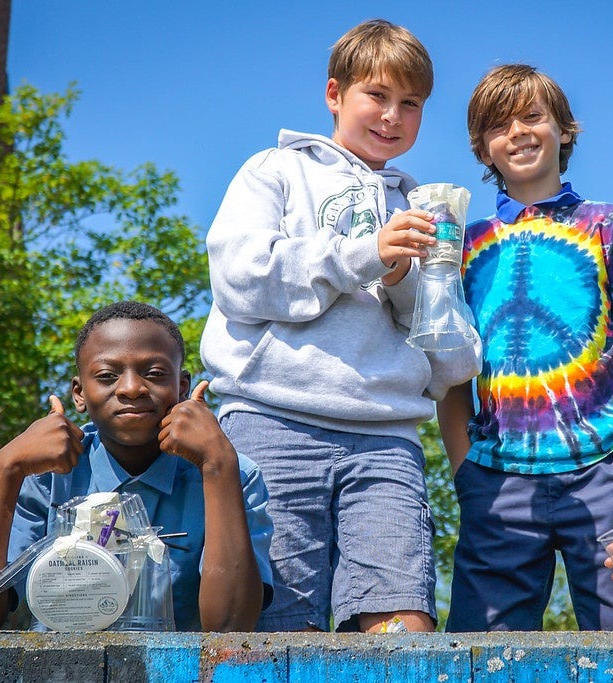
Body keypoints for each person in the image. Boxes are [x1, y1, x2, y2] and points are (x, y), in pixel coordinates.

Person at [200, 19, 479, 633]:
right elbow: (241, 280)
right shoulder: (273, 170)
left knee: (402, 629)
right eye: (376, 96)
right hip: (272, 422)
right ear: (335, 94)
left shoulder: (425, 210)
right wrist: (364, 254)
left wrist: (413, 287)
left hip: (387, 439)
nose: (392, 116)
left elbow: (456, 366)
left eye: (411, 104)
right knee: (277, 630)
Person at [439, 64, 613, 631]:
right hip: (495, 484)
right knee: (478, 652)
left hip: (607, 474)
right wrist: (463, 467)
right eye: (498, 124)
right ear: (482, 147)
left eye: (532, 116)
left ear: (564, 130)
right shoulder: (464, 244)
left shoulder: (611, 225)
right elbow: (450, 370)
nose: (516, 132)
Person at [0, 301, 274, 632]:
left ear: (182, 387)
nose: (131, 388)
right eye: (107, 376)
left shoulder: (233, 474)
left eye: (155, 373)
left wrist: (218, 463)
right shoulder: (45, 478)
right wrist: (6, 467)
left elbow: (231, 629)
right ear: (79, 393)